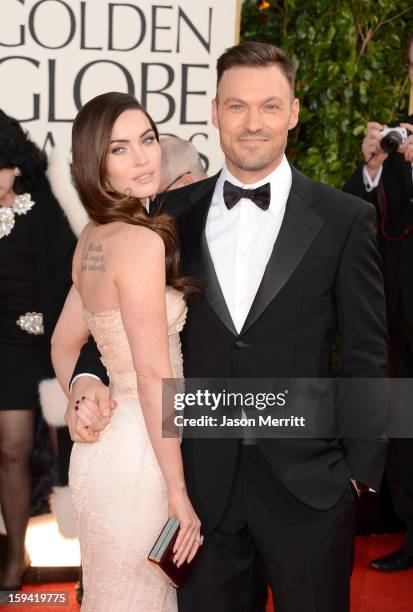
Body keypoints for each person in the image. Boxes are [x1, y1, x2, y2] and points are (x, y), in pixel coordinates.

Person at [67, 42, 388, 612]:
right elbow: (114, 319)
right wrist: (85, 378)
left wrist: (358, 476)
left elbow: (368, 352)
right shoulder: (168, 213)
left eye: (270, 107)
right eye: (237, 106)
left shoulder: (346, 219)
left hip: (309, 489)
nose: (253, 123)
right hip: (197, 489)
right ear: (214, 111)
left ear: (293, 112)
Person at [50, 92, 201, 612]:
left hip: (102, 455)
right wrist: (179, 491)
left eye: (148, 139)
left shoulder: (93, 236)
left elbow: (64, 343)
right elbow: (156, 373)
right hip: (143, 455)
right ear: (97, 166)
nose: (143, 158)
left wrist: (84, 388)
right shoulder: (139, 242)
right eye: (120, 149)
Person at [344, 34, 413, 573]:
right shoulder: (400, 134)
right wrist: (373, 164)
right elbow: (361, 216)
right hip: (399, 315)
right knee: (404, 427)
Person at [0, 111, 76, 590]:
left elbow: (75, 273)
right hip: (6, 351)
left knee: (75, 457)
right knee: (11, 450)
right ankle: (14, 556)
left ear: (12, 161)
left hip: (54, 348)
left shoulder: (42, 203)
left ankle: (95, 555)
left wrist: (63, 337)